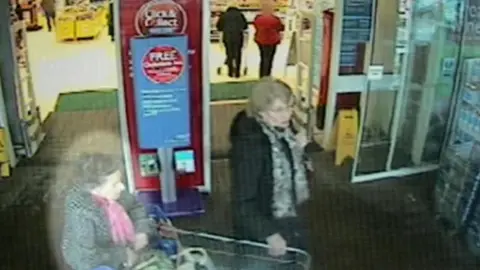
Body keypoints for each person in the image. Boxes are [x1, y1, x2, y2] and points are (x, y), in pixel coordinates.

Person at [229, 78, 311, 260]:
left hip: (288, 220)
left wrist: (298, 150)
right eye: (279, 110)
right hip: (261, 232)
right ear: (260, 112)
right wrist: (269, 234)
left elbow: (297, 179)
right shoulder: (251, 146)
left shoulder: (284, 134)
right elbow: (242, 202)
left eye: (290, 107)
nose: (287, 115)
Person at [61, 153, 174, 270]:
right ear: (94, 189)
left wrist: (141, 231)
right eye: (115, 184)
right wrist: (122, 256)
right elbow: (85, 259)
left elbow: (135, 207)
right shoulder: (81, 214)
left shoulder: (116, 195)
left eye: (120, 181)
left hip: (127, 250)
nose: (122, 187)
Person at [253, 2, 285, 77]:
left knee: (263, 57)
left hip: (260, 40)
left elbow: (256, 26)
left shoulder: (258, 18)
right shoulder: (275, 19)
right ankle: (267, 74)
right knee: (269, 58)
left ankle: (261, 74)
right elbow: (281, 28)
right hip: (272, 41)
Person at [216, 5, 248, 78]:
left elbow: (219, 27)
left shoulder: (224, 15)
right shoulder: (240, 15)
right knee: (238, 54)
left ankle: (230, 72)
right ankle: (237, 73)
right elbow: (245, 26)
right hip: (238, 36)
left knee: (229, 53)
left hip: (227, 36)